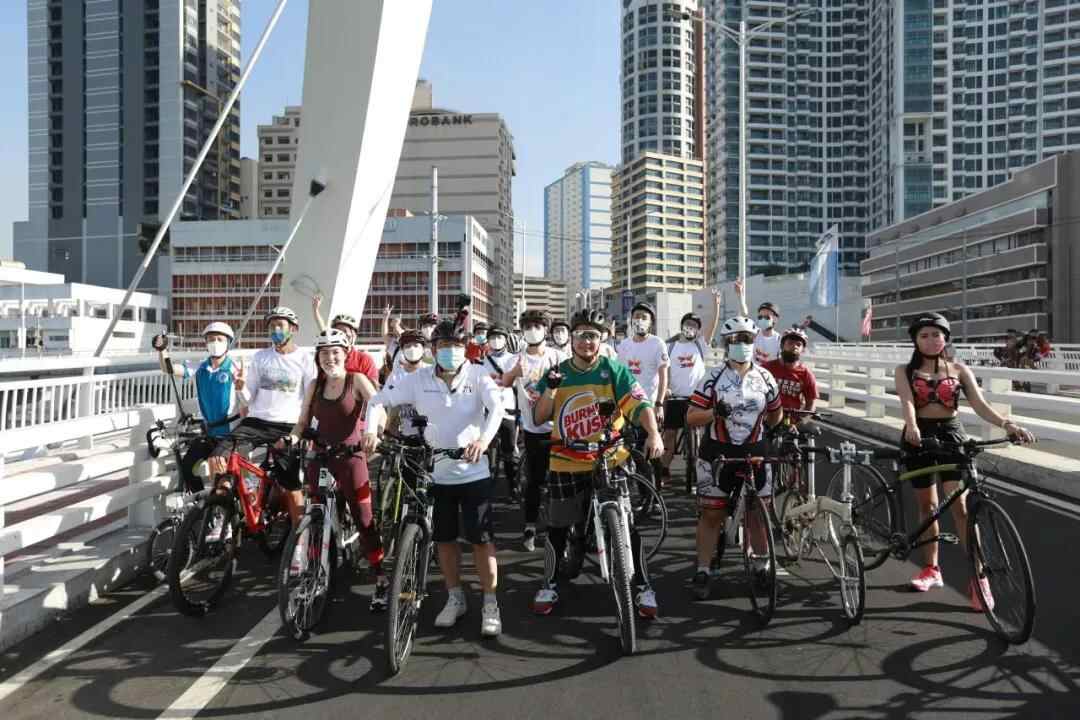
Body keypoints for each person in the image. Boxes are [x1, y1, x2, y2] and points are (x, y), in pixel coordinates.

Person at [362, 318, 506, 637]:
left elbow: (497, 408)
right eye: (443, 346)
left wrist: (483, 440)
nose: (450, 352)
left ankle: (490, 603)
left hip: (473, 472)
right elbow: (377, 401)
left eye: (456, 346)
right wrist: (371, 430)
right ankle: (455, 598)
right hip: (437, 472)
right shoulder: (417, 379)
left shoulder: (479, 375)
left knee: (481, 541)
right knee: (444, 540)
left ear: (465, 348)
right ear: (433, 349)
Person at [895, 312, 1035, 611]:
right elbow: (907, 401)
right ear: (915, 341)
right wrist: (912, 427)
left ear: (945, 338)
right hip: (918, 438)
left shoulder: (959, 370)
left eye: (936, 334)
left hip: (952, 436)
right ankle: (931, 569)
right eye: (924, 335)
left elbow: (980, 405)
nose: (931, 340)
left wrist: (1008, 424)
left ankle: (979, 578)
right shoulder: (904, 371)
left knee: (961, 507)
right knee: (927, 506)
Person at [531, 309, 664, 618]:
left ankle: (643, 586)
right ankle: (549, 582)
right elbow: (539, 417)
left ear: (601, 339)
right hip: (566, 460)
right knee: (557, 528)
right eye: (580, 335)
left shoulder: (614, 370)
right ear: (571, 338)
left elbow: (640, 404)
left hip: (610, 457)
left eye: (592, 335)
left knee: (628, 526)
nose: (586, 342)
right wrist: (550, 389)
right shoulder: (557, 372)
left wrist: (654, 434)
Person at [285, 329, 387, 610]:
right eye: (324, 354)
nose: (329, 358)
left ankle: (380, 577)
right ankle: (314, 575)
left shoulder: (356, 380)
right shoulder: (315, 385)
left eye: (335, 352)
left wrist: (373, 432)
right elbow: (302, 422)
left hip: (351, 457)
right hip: (320, 457)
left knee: (364, 518)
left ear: (345, 354)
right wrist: (291, 438)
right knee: (316, 514)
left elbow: (379, 405)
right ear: (318, 358)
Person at [685, 316, 783, 600]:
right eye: (736, 340)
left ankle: (761, 567)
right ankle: (703, 569)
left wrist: (769, 430)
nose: (742, 344)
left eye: (748, 339)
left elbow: (775, 413)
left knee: (757, 514)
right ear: (726, 345)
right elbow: (691, 417)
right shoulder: (712, 377)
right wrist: (715, 413)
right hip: (718, 453)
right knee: (711, 514)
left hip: (755, 452)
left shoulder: (765, 377)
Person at [210, 306, 316, 526]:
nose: (276, 330)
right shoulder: (260, 357)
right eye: (272, 326)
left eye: (280, 325)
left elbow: (310, 401)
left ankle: (301, 536)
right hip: (256, 422)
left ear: (293, 329)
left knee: (291, 485)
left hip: (287, 426)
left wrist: (307, 430)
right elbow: (248, 400)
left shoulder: (305, 360)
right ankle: (224, 515)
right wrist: (240, 387)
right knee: (219, 457)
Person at [498, 309, 564, 551]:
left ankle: (564, 529)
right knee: (535, 481)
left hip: (558, 428)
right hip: (533, 430)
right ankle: (530, 527)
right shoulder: (516, 359)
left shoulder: (557, 356)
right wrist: (514, 373)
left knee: (560, 480)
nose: (532, 330)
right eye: (528, 327)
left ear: (546, 330)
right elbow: (503, 383)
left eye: (537, 326)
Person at [154, 321, 242, 491]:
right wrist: (162, 349)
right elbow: (168, 368)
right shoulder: (201, 367)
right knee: (187, 466)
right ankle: (200, 499)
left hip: (229, 434)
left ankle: (223, 501)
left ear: (228, 343)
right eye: (211, 339)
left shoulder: (235, 368)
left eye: (219, 339)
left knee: (220, 475)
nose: (215, 343)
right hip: (208, 432)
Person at [658, 294, 722, 486]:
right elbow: (663, 371)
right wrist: (665, 390)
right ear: (682, 326)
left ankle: (699, 469)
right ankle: (664, 469)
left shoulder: (700, 345)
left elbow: (712, 326)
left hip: (697, 399)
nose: (691, 328)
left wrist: (716, 306)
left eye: (694, 325)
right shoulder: (670, 347)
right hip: (675, 398)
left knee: (701, 435)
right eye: (688, 324)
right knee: (669, 435)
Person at [617, 302, 670, 484]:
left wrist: (659, 404)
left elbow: (663, 375)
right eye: (636, 316)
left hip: (649, 406)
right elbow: (619, 375)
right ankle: (639, 489)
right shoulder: (624, 345)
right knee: (630, 449)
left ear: (651, 322)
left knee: (650, 451)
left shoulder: (657, 343)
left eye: (644, 317)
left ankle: (654, 490)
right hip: (627, 406)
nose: (639, 320)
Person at [310, 293, 379, 387]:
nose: (341, 336)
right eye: (337, 332)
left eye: (345, 332)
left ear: (354, 335)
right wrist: (316, 311)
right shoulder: (327, 358)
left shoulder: (364, 360)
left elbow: (373, 387)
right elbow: (324, 330)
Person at [483, 324, 520, 497]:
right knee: (484, 448)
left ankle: (513, 486)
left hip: (508, 410)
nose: (496, 341)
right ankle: (483, 484)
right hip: (487, 411)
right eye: (492, 337)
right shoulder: (483, 361)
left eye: (500, 337)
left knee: (509, 451)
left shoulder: (514, 359)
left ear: (506, 340)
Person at [762, 326, 818, 420]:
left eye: (798, 345)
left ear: (803, 350)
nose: (794, 346)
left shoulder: (806, 374)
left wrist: (800, 422)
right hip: (765, 420)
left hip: (789, 423)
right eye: (790, 343)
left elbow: (811, 404)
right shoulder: (766, 368)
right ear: (782, 346)